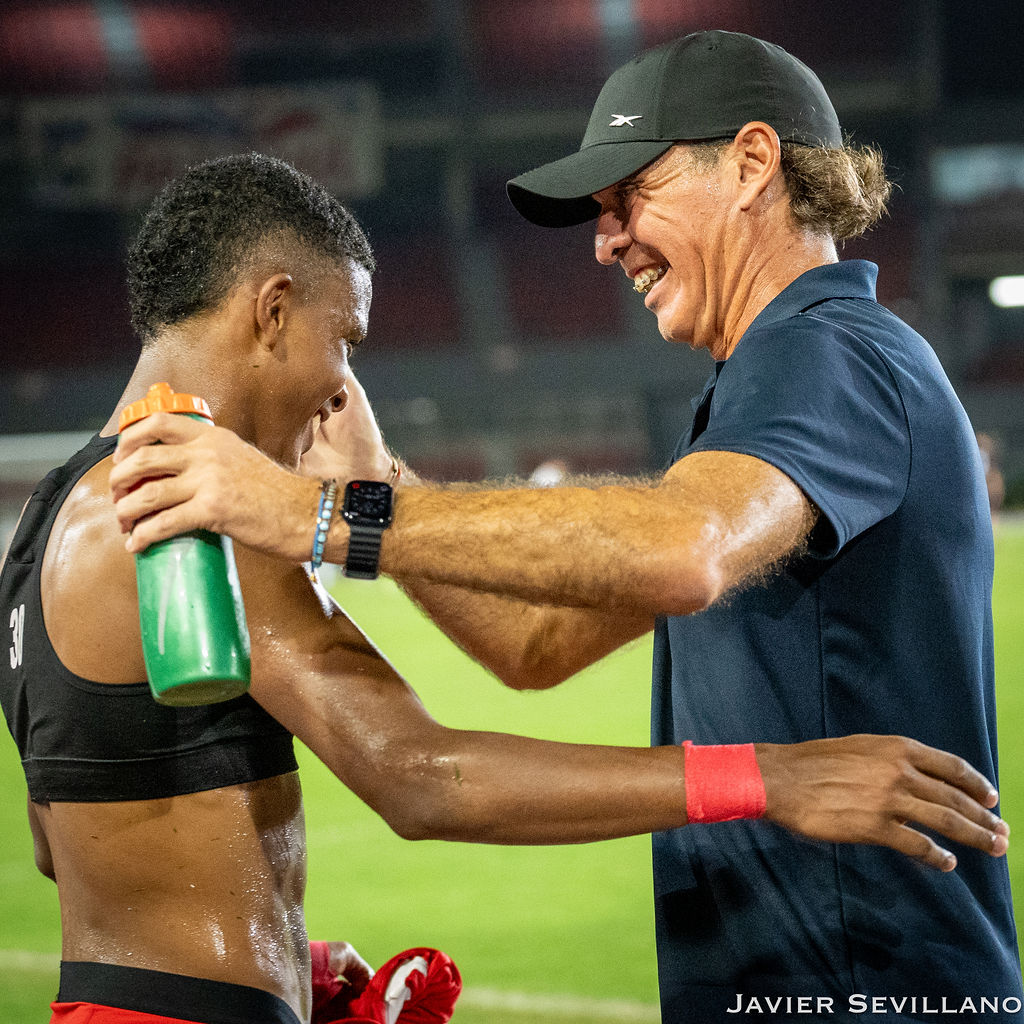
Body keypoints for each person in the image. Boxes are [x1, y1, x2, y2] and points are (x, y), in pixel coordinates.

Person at [97, 93, 1011, 1021]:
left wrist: (319, 513)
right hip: (819, 972)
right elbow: (536, 644)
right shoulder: (772, 390)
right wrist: (382, 479)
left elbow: (678, 549)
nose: (605, 243)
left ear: (751, 162)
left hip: (865, 980)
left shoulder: (823, 349)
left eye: (629, 196)